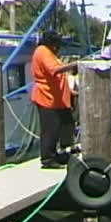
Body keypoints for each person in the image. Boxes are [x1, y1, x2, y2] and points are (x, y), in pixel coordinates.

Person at [30, 29, 78, 169]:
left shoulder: (51, 53)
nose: (58, 47)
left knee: (67, 123)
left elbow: (58, 75)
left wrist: (70, 92)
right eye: (57, 44)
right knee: (50, 130)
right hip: (46, 97)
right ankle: (47, 159)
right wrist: (73, 65)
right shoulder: (43, 51)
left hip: (58, 99)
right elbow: (53, 70)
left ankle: (64, 151)